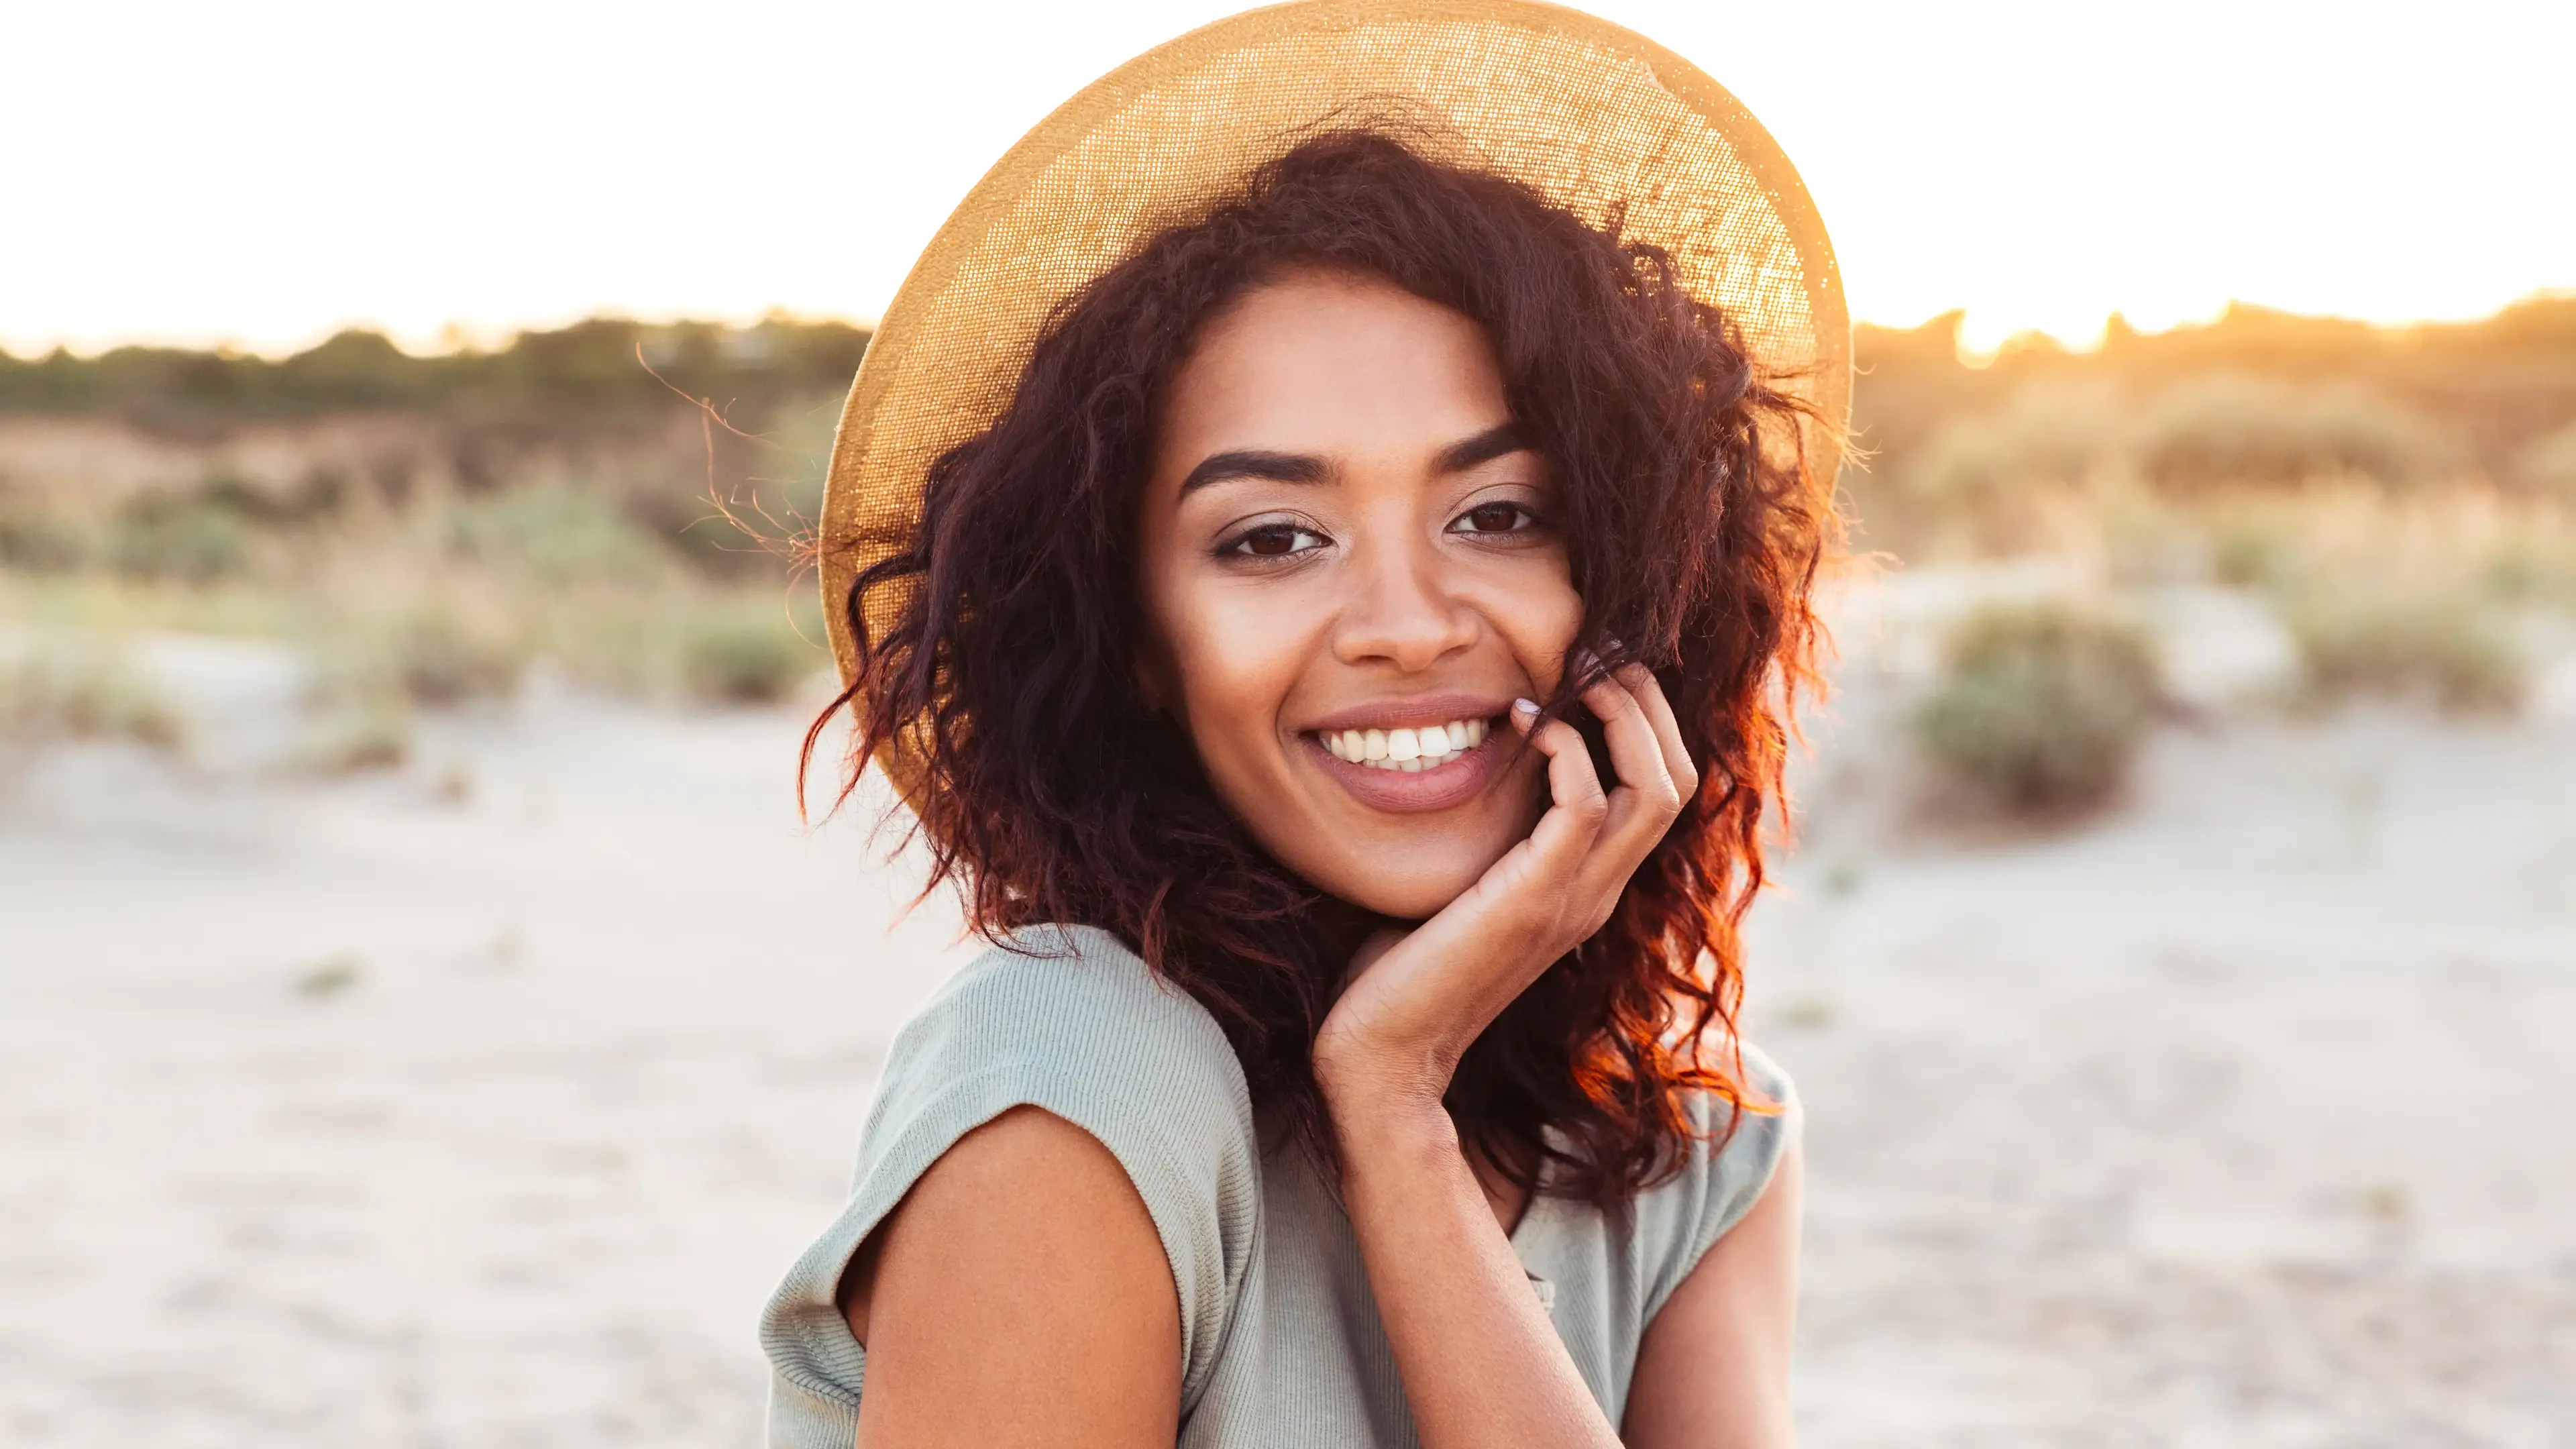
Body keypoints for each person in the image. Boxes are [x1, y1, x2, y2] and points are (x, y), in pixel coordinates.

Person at [761, 4, 1849, 1445]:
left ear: (1632, 579)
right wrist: (1387, 1094)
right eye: (1272, 538)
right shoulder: (1076, 1078)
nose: (1406, 622)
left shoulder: (1699, 1139)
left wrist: (1399, 1119)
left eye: (1500, 514)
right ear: (1135, 642)